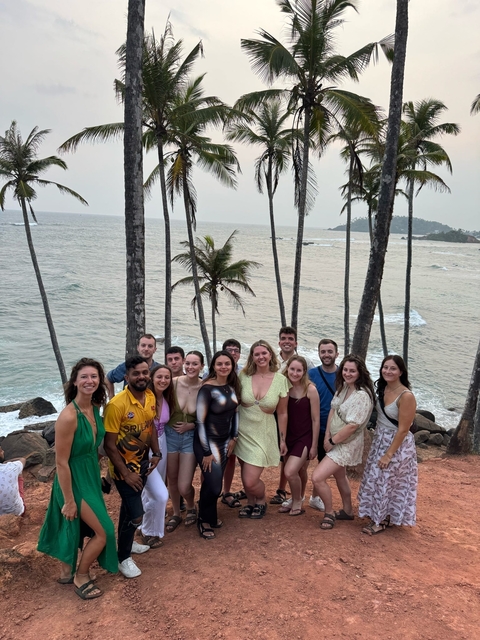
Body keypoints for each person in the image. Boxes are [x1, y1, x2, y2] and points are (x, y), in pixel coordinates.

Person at [37, 358, 117, 599]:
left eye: (94, 376)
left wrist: (104, 473)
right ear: (75, 381)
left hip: (90, 475)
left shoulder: (93, 408)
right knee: (105, 532)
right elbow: (61, 462)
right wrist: (69, 501)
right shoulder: (68, 417)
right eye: (84, 376)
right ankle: (80, 575)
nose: (89, 381)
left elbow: (94, 447)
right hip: (73, 481)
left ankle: (67, 570)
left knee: (84, 527)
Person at [103, 356, 161, 579]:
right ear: (126, 377)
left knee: (128, 510)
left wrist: (157, 453)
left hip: (144, 464)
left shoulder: (149, 396)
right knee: (136, 515)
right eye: (136, 373)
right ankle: (122, 558)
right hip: (124, 470)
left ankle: (125, 543)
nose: (142, 376)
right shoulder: (116, 405)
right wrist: (126, 474)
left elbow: (151, 427)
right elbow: (109, 445)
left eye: (145, 372)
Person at [312, 355, 374, 530]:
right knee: (340, 475)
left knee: (317, 477)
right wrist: (326, 436)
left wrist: (332, 440)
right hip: (336, 438)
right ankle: (347, 510)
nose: (347, 373)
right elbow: (333, 409)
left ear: (360, 372)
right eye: (345, 370)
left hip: (347, 442)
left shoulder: (362, 396)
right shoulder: (344, 388)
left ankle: (329, 512)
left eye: (352, 371)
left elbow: (353, 426)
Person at [358, 355, 418, 535]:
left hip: (397, 445)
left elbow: (403, 429)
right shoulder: (382, 390)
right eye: (385, 367)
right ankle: (383, 515)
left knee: (387, 480)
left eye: (393, 368)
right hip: (380, 439)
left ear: (401, 371)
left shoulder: (406, 396)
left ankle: (380, 521)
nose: (388, 371)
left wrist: (389, 454)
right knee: (379, 479)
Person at [235, 340, 290, 520]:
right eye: (256, 354)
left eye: (264, 353)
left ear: (270, 355)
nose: (260, 357)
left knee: (251, 479)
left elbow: (282, 413)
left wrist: (282, 439)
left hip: (263, 433)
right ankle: (251, 502)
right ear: (252, 357)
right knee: (244, 472)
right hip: (242, 432)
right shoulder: (243, 376)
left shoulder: (281, 380)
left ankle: (261, 499)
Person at [194, 351, 240, 539]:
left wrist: (234, 437)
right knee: (214, 486)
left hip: (225, 443)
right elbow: (200, 422)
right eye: (219, 364)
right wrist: (206, 451)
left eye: (227, 364)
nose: (223, 367)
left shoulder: (231, 386)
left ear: (232, 366)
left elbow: (235, 412)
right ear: (213, 366)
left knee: (215, 483)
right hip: (207, 443)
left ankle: (210, 516)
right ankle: (202, 519)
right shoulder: (206, 389)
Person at [271, 326, 314, 506]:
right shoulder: (273, 363)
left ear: (295, 343)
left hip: (302, 429)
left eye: (290, 338)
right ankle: (288, 493)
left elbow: (310, 389)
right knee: (285, 457)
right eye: (283, 338)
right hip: (281, 418)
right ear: (279, 341)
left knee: (298, 466)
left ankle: (298, 496)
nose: (287, 341)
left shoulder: (308, 364)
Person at [164, 350, 204, 533]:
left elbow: (210, 417)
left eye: (195, 364)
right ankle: (176, 513)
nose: (190, 367)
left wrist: (192, 425)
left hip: (190, 438)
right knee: (172, 478)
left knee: (184, 484)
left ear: (202, 366)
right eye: (187, 363)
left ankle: (190, 506)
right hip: (170, 436)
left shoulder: (205, 388)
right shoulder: (171, 384)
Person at [137, 365, 174, 548]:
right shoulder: (145, 397)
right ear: (152, 377)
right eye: (159, 376)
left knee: (151, 488)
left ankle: (144, 524)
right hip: (147, 447)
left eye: (167, 377)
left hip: (162, 442)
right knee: (155, 491)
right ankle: (149, 531)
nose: (163, 380)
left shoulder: (166, 396)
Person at [278, 356, 320, 516]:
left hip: (304, 437)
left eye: (299, 370)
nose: (295, 373)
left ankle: (296, 501)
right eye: (292, 369)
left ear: (304, 372)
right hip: (288, 436)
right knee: (299, 470)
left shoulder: (310, 389)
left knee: (289, 472)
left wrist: (314, 445)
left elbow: (316, 420)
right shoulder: (283, 387)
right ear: (287, 369)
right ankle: (299, 497)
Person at [306, 339, 339, 512]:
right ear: (319, 353)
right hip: (314, 427)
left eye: (329, 351)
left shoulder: (344, 374)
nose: (326, 355)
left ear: (336, 354)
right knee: (307, 463)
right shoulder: (311, 374)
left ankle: (315, 497)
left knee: (327, 466)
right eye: (323, 351)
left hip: (335, 430)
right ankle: (306, 497)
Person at [220, 339, 245, 508]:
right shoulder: (214, 372)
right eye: (229, 350)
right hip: (220, 423)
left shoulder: (244, 373)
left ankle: (237, 489)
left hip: (241, 421)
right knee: (221, 459)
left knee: (239, 458)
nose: (233, 353)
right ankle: (219, 491)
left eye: (236, 350)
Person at [106, 334, 160, 398]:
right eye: (143, 345)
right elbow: (108, 379)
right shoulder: (127, 366)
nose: (146, 349)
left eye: (150, 346)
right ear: (138, 348)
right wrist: (111, 398)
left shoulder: (158, 369)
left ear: (155, 349)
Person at [0, 445, 27, 516]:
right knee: (19, 473)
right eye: (1, 450)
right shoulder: (11, 467)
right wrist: (7, 462)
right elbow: (23, 459)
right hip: (18, 512)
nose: (3, 451)